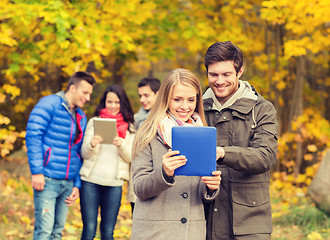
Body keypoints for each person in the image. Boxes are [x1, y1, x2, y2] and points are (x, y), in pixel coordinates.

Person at [131, 68, 222, 240]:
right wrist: (164, 173)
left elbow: (198, 191)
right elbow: (139, 188)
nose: (185, 106)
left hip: (191, 232)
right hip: (154, 232)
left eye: (190, 100)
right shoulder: (147, 133)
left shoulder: (203, 133)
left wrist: (211, 187)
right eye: (177, 99)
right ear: (165, 98)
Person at [203, 41, 278, 240]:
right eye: (213, 74)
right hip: (206, 218)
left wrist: (224, 153)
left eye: (226, 74)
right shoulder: (197, 108)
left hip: (251, 220)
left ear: (240, 71)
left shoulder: (262, 109)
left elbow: (265, 156)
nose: (219, 81)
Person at [25, 71, 96, 239]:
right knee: (44, 232)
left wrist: (76, 185)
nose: (87, 98)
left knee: (57, 233)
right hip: (47, 180)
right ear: (72, 88)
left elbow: (78, 152)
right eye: (84, 92)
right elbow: (33, 135)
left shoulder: (80, 116)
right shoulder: (49, 104)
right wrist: (37, 172)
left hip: (68, 183)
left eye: (90, 94)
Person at [79, 85, 135, 240]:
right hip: (90, 182)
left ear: (122, 104)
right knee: (89, 230)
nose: (113, 106)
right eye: (109, 102)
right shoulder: (94, 121)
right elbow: (83, 153)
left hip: (114, 185)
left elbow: (131, 158)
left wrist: (121, 144)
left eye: (117, 102)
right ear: (104, 102)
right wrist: (92, 144)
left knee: (108, 231)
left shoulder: (129, 127)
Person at [129, 77, 161, 213]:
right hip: (139, 179)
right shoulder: (136, 119)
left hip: (160, 181)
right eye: (140, 96)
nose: (142, 100)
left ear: (158, 94)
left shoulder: (167, 119)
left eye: (146, 95)